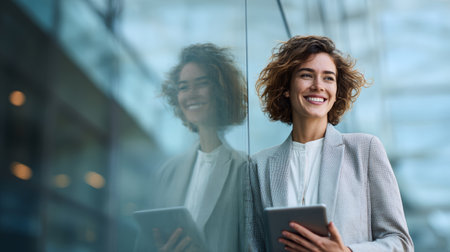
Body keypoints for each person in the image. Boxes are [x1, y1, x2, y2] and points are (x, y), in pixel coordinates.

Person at [245, 35, 414, 252]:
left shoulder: (365, 150)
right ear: (286, 87)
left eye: (328, 78)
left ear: (336, 92)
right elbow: (252, 245)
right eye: (307, 75)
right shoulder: (258, 166)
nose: (318, 86)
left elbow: (401, 242)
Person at [146, 43, 248, 252]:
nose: (191, 94)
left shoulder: (245, 169)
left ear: (221, 91)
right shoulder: (168, 172)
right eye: (183, 87)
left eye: (201, 84)